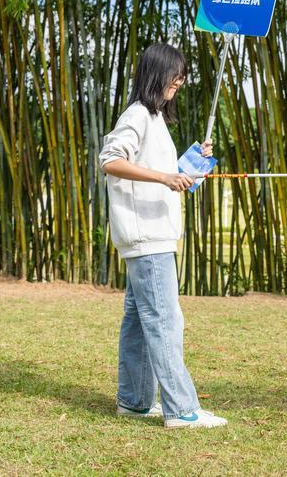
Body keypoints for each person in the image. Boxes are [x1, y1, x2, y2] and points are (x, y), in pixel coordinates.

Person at [99, 43, 227, 429]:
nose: (181, 81)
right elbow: (111, 160)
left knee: (140, 321)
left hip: (150, 234)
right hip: (146, 236)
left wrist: (193, 160)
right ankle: (182, 409)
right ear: (157, 73)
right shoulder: (137, 115)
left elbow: (164, 172)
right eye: (176, 73)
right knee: (165, 320)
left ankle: (134, 401)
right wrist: (165, 176)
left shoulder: (154, 119)